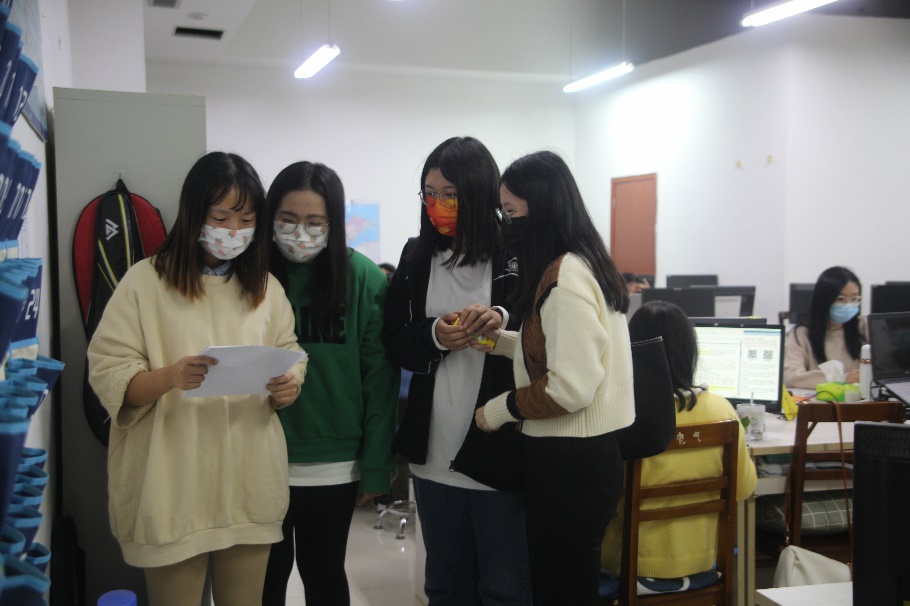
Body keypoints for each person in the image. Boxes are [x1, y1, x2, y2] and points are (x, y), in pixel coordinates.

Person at [87, 152, 306, 606]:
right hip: (171, 483)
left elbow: (289, 353)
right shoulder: (145, 283)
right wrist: (169, 377)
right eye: (221, 218)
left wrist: (288, 384)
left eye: (246, 220)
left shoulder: (265, 288)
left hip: (247, 479)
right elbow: (109, 374)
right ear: (193, 214)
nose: (233, 230)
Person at [474, 150, 636, 606]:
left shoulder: (564, 278)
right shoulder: (582, 263)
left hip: (570, 461)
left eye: (511, 212)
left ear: (541, 208)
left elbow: (570, 388)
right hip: (586, 457)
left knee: (561, 589)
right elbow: (565, 352)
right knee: (568, 584)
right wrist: (497, 342)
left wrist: (497, 411)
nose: (506, 224)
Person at [383, 136, 531, 605]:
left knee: (506, 590)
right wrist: (433, 335)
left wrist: (501, 320)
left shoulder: (517, 252)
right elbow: (394, 340)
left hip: (498, 447)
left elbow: (543, 331)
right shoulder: (416, 256)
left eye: (451, 194)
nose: (438, 205)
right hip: (434, 448)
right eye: (430, 193)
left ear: (481, 194)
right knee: (446, 588)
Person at [261, 161, 399, 606]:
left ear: (333, 224)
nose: (299, 232)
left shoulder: (363, 278)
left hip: (334, 463)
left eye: (314, 222)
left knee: (323, 575)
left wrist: (375, 465)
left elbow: (380, 380)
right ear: (270, 217)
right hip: (258, 455)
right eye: (287, 219)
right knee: (263, 581)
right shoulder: (250, 275)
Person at [600, 300, 757, 580]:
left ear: (631, 348)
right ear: (690, 350)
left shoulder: (624, 411)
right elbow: (743, 489)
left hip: (631, 564)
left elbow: (603, 498)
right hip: (705, 561)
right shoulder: (722, 410)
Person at [784, 266, 867, 389]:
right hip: (820, 398)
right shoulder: (801, 333)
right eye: (840, 299)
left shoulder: (863, 327)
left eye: (854, 299)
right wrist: (841, 379)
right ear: (824, 299)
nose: (848, 305)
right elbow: (790, 376)